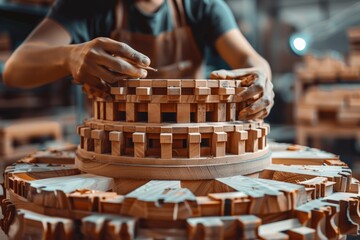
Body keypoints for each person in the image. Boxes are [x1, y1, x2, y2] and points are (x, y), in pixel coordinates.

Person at [3, 0, 274, 120]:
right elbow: (15, 69)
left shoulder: (203, 7)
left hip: (194, 148)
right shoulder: (85, 5)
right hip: (116, 148)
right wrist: (69, 55)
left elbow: (249, 58)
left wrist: (261, 75)